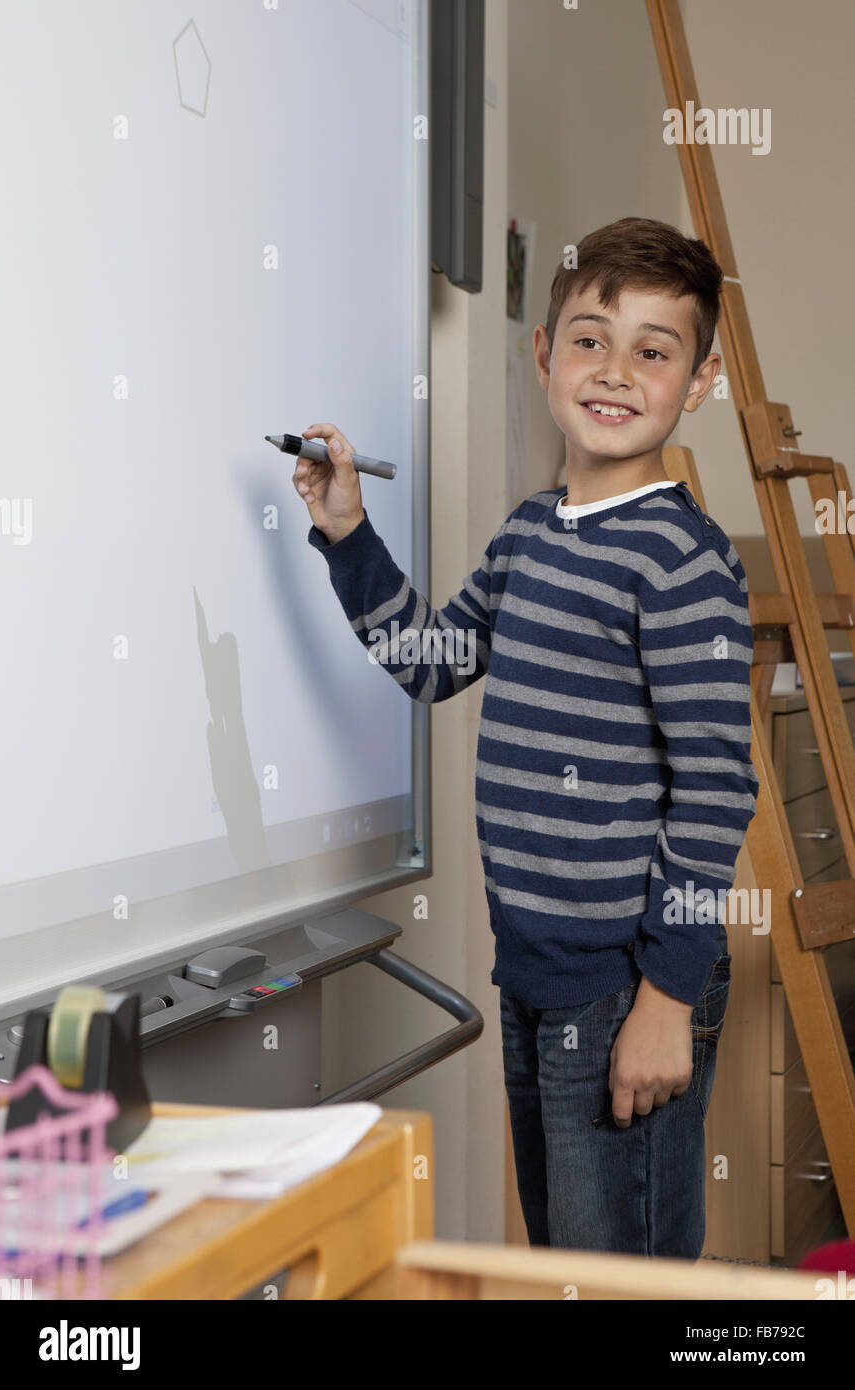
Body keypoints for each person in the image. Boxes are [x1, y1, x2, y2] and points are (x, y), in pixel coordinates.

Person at [293, 216, 758, 1259]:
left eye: (653, 349)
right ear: (544, 354)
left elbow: (715, 794)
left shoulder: (681, 563)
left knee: (620, 1279)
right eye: (589, 338)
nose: (614, 370)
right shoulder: (526, 533)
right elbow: (430, 657)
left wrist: (666, 999)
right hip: (536, 973)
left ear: (698, 382)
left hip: (628, 983)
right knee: (567, 1268)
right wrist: (346, 535)